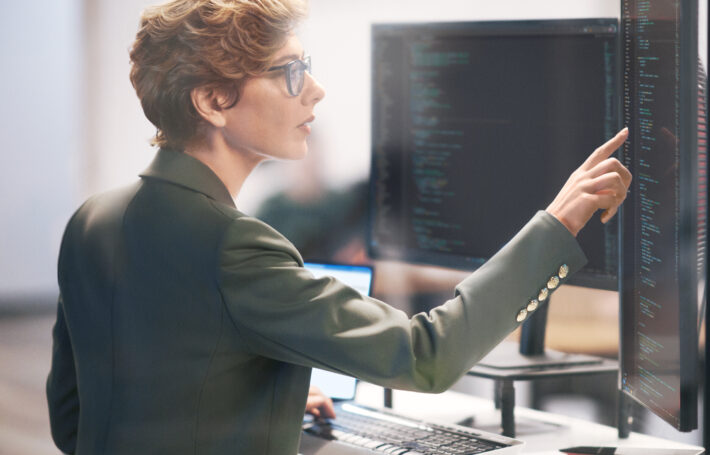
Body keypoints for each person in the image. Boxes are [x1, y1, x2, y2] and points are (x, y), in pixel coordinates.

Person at [46, 0, 631, 454]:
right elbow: (424, 354)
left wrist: (256, 403)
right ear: (213, 100)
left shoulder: (93, 220)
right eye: (290, 73)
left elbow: (73, 419)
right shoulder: (233, 245)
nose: (316, 89)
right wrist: (559, 222)